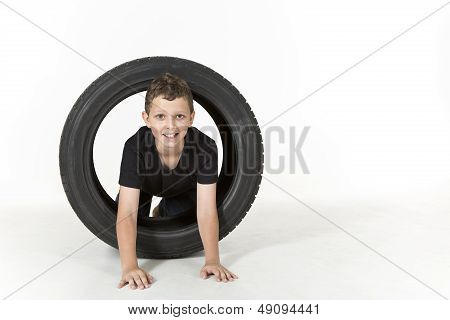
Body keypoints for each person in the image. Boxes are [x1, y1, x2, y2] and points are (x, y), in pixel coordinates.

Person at [116, 72, 238, 290]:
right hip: (144, 188)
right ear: (146, 118)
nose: (170, 126)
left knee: (178, 218)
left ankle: (163, 208)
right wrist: (129, 266)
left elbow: (207, 210)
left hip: (182, 190)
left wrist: (212, 260)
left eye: (179, 116)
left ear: (191, 117)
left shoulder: (205, 147)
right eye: (160, 116)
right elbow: (127, 211)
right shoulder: (135, 147)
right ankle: (154, 211)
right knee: (128, 227)